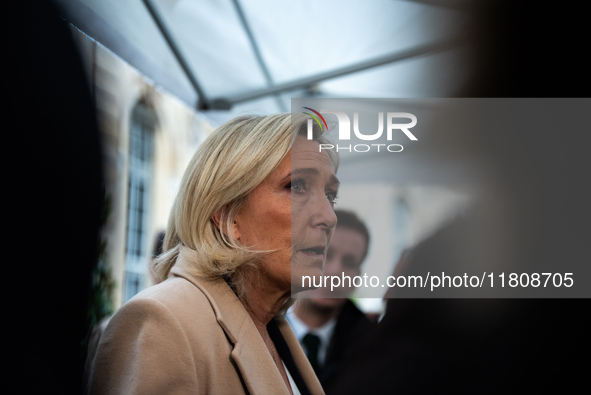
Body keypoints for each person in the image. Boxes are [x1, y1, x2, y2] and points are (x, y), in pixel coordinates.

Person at [87, 114, 340, 394]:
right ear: (227, 214)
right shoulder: (162, 323)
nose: (329, 216)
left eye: (330, 195)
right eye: (297, 186)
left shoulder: (273, 328)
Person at [288, 210, 375, 391]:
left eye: (349, 262)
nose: (336, 271)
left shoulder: (370, 347)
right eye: (324, 253)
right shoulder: (256, 328)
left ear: (357, 278)